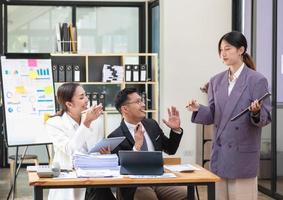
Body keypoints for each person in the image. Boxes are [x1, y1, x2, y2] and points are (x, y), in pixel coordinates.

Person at [186, 31, 272, 200]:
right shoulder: (216, 81)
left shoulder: (256, 80)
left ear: (241, 50)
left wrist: (256, 112)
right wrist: (197, 108)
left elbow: (265, 117)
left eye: (227, 49)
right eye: (220, 50)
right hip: (220, 153)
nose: (222, 54)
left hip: (242, 155)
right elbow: (213, 114)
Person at [108, 87, 187, 200]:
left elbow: (170, 149)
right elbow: (121, 171)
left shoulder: (152, 125)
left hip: (158, 179)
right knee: (147, 197)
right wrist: (137, 146)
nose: (143, 104)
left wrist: (176, 130)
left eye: (142, 100)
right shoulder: (116, 137)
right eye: (138, 101)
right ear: (125, 109)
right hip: (134, 184)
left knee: (185, 194)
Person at [46, 82, 116, 200]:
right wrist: (86, 123)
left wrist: (104, 154)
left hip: (94, 179)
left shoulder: (95, 121)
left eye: (86, 95)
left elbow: (94, 150)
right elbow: (70, 149)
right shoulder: (54, 123)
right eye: (81, 97)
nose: (87, 100)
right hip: (71, 181)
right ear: (69, 104)